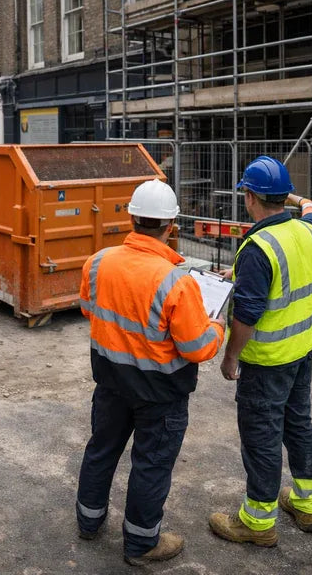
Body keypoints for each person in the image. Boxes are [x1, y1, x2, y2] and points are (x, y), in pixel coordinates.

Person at [76, 179, 226, 565]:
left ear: (131, 218)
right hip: (160, 394)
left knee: (101, 449)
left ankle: (89, 522)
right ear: (170, 226)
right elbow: (198, 348)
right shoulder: (177, 281)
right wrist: (217, 325)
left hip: (110, 382)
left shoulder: (98, 262)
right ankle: (142, 544)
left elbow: (89, 310)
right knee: (151, 465)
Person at [209, 156, 312, 547]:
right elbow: (310, 207)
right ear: (283, 196)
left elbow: (247, 314)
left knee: (262, 437)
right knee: (298, 424)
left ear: (249, 197)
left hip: (267, 363)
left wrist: (230, 357)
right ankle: (307, 505)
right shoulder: (309, 229)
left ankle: (257, 523)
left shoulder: (258, 246)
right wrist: (294, 196)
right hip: (303, 351)